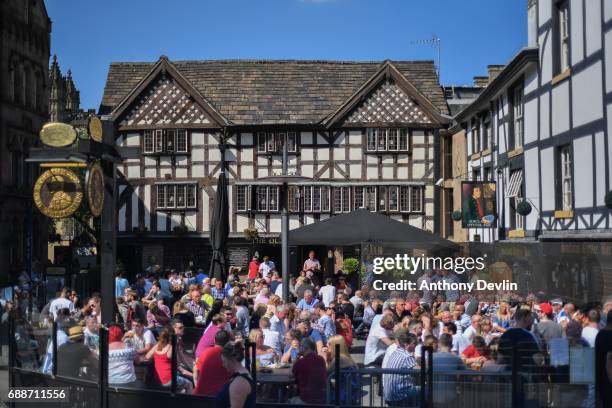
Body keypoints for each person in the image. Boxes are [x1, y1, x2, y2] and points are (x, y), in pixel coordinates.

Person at [145, 328, 193, 393]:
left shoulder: (157, 346)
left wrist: (157, 357)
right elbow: (179, 367)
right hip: (169, 379)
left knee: (180, 389)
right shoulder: (171, 348)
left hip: (158, 379)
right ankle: (186, 403)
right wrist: (193, 375)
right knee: (189, 384)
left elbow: (147, 356)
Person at [498, 308, 544, 373]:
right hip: (525, 376)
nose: (532, 322)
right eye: (531, 319)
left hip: (509, 376)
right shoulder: (529, 336)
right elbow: (538, 360)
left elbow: (499, 359)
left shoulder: (505, 335)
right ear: (526, 319)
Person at [383, 331, 419, 407]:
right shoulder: (407, 356)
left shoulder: (396, 351)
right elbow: (419, 371)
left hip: (389, 395)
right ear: (406, 345)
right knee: (425, 391)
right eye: (414, 344)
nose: (416, 346)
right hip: (400, 395)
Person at [217, 341, 256, 408]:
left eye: (224, 361)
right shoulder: (239, 377)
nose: (223, 365)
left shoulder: (240, 382)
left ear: (232, 360)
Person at [193, 329, 231, 396]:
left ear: (214, 340)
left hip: (200, 395)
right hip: (220, 397)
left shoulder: (206, 352)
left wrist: (197, 386)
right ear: (228, 342)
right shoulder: (229, 355)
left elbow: (195, 370)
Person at [291, 338, 327, 404]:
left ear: (304, 348)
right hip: (321, 398)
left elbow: (293, 377)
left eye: (300, 346)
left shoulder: (300, 362)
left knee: (287, 401)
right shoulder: (321, 360)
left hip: (305, 399)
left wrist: (297, 358)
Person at [432, 333, 465, 405]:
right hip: (450, 397)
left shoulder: (431, 357)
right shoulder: (456, 358)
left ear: (439, 344)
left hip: (432, 396)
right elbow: (465, 374)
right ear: (452, 345)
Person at [327, 335, 359, 405]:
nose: (327, 346)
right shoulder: (346, 357)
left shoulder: (338, 359)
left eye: (329, 344)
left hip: (342, 396)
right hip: (350, 394)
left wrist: (323, 357)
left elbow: (325, 373)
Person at [595, 309, 612, 407]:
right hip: (608, 382)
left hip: (600, 380)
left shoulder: (600, 334)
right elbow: (609, 360)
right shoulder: (610, 336)